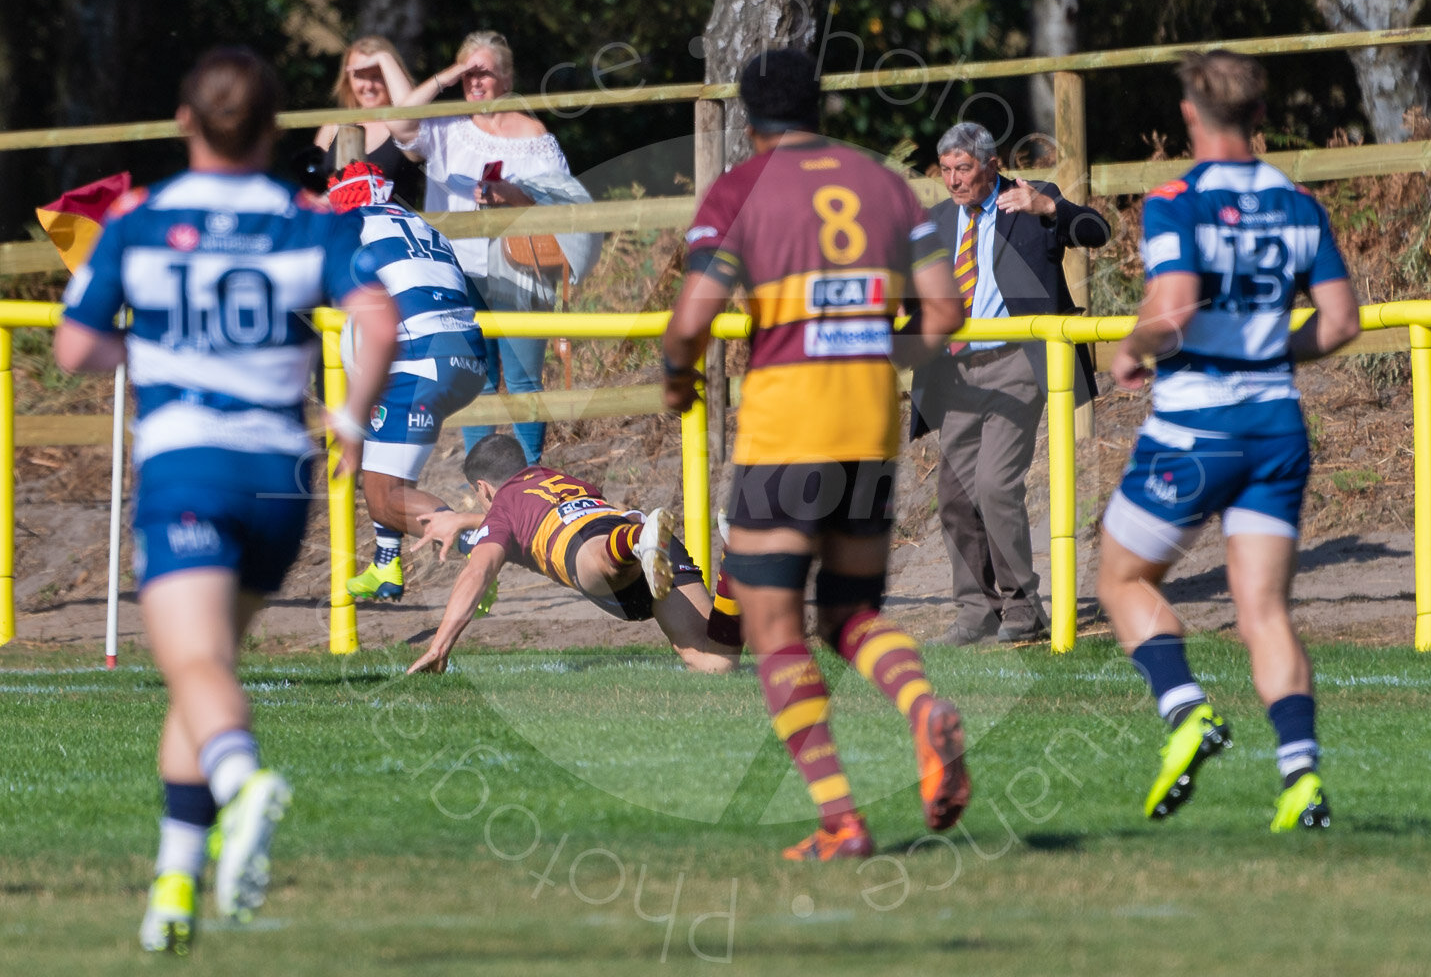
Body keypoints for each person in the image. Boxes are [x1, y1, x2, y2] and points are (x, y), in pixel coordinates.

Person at [54, 47, 399, 954]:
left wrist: (160, 360)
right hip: (282, 478)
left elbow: (75, 348)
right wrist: (354, 417)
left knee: (195, 664)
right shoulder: (303, 216)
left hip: (190, 468)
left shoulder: (142, 216)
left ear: (184, 122)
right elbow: (378, 315)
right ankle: (172, 888)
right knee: (202, 673)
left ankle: (245, 784)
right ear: (276, 126)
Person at [661, 49, 969, 861]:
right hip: (869, 425)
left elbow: (693, 316)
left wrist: (675, 378)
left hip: (784, 430)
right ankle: (923, 708)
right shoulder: (886, 185)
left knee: (772, 626)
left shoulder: (743, 187)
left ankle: (841, 816)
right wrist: (880, 354)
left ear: (748, 119)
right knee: (853, 615)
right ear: (820, 106)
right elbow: (945, 310)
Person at [1095, 50, 1361, 832]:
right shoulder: (1297, 200)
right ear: (1260, 113)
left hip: (1197, 429)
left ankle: (1186, 713)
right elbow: (1341, 323)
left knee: (1121, 580)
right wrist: (1273, 351)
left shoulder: (1178, 198)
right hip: (1277, 426)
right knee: (1264, 612)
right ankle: (1301, 778)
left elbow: (1174, 308)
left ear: (1189, 115)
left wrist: (1130, 347)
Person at [912, 121, 1112, 647]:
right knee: (954, 497)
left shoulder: (1030, 200)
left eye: (965, 169)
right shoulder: (935, 221)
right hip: (955, 372)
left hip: (1018, 364)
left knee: (995, 485)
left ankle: (1024, 609)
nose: (954, 181)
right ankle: (976, 612)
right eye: (947, 170)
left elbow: (1097, 231)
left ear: (992, 166)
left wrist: (1052, 211)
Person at [388, 30, 598, 466]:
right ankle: (482, 484)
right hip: (458, 269)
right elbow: (400, 122)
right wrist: (445, 77)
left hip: (519, 268)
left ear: (505, 77)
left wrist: (516, 197)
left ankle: (532, 479)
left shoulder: (533, 134)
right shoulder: (446, 130)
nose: (475, 81)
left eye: (483, 72)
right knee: (474, 381)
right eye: (468, 73)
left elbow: (565, 205)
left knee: (523, 380)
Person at [404, 434, 741, 675]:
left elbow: (477, 572)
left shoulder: (503, 507)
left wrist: (439, 644)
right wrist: (462, 519)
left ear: (483, 488)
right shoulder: (554, 478)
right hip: (630, 536)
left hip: (600, 549)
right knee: (716, 663)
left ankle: (638, 539)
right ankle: (737, 564)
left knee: (599, 568)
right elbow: (524, 523)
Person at [324, 161, 489, 602]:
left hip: (420, 361)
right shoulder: (420, 223)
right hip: (467, 355)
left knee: (385, 497)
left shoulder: (349, 226)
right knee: (387, 471)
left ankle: (484, 550)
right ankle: (385, 563)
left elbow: (363, 327)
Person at [310, 36, 424, 208]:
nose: (368, 85)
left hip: (391, 231)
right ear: (347, 79)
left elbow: (408, 112)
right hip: (339, 230)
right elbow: (312, 188)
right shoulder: (332, 127)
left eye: (376, 75)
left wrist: (384, 58)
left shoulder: (407, 126)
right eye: (359, 76)